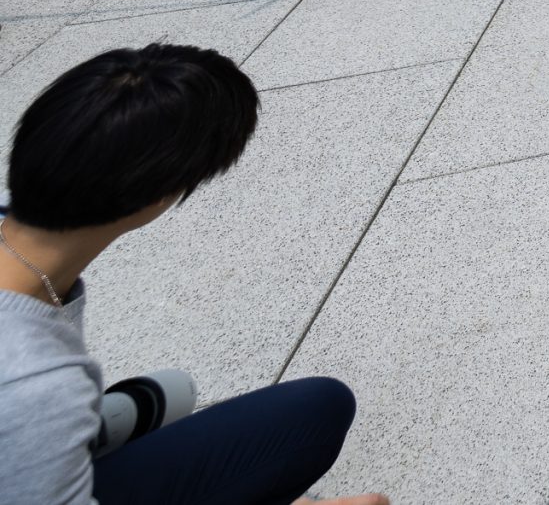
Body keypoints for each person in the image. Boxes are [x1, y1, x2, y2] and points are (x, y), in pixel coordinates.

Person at [1, 44, 388, 505]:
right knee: (318, 412)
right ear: (156, 197)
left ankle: (73, 443)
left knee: (183, 398)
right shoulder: (36, 380)